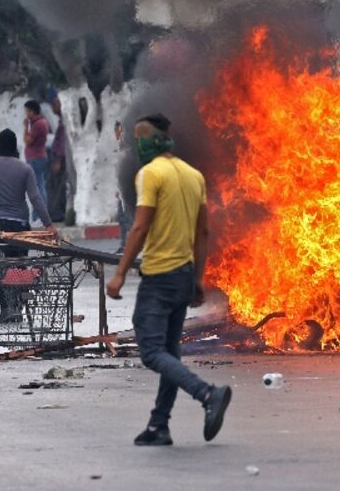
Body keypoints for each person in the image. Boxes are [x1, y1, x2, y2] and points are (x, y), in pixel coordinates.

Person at [106, 114, 231, 446]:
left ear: (154, 140)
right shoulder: (193, 176)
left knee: (151, 352)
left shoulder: (150, 174)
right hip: (183, 275)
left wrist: (119, 273)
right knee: (170, 353)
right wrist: (198, 279)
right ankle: (158, 426)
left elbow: (140, 226)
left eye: (140, 139)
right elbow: (202, 232)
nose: (137, 146)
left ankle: (207, 394)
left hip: (160, 276)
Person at [0, 129, 56, 323]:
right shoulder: (25, 169)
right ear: (15, 147)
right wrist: (49, 224)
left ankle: (6, 308)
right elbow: (35, 198)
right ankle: (19, 306)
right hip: (19, 227)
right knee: (20, 266)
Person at [47, 94, 72, 223]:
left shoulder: (65, 122)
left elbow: (63, 143)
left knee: (58, 187)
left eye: (56, 103)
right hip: (57, 157)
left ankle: (57, 214)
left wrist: (58, 160)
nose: (53, 106)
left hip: (60, 159)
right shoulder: (61, 121)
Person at [23, 101, 50, 219]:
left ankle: (39, 215)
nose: (26, 114)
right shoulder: (39, 122)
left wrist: (25, 128)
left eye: (27, 111)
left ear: (32, 111)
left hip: (36, 158)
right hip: (36, 157)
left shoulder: (38, 124)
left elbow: (28, 141)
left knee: (38, 187)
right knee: (38, 186)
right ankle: (37, 215)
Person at [114, 121, 132, 247]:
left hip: (127, 188)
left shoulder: (128, 148)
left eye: (119, 130)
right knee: (122, 217)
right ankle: (123, 243)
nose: (117, 133)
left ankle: (128, 244)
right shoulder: (120, 147)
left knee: (127, 217)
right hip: (121, 188)